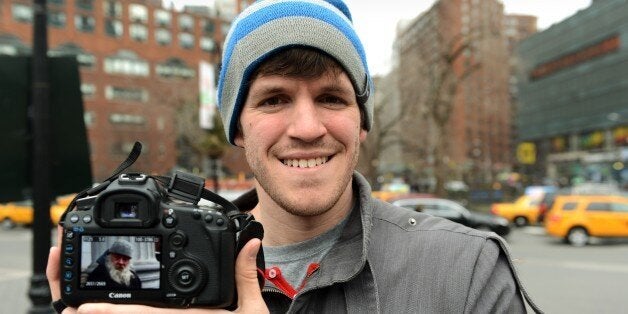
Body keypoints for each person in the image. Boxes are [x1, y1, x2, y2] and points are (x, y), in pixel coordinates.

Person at [47, 0, 541, 313]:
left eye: (331, 98)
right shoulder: (137, 270)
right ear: (237, 129)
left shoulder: (465, 270)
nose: (307, 129)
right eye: (274, 99)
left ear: (361, 121)